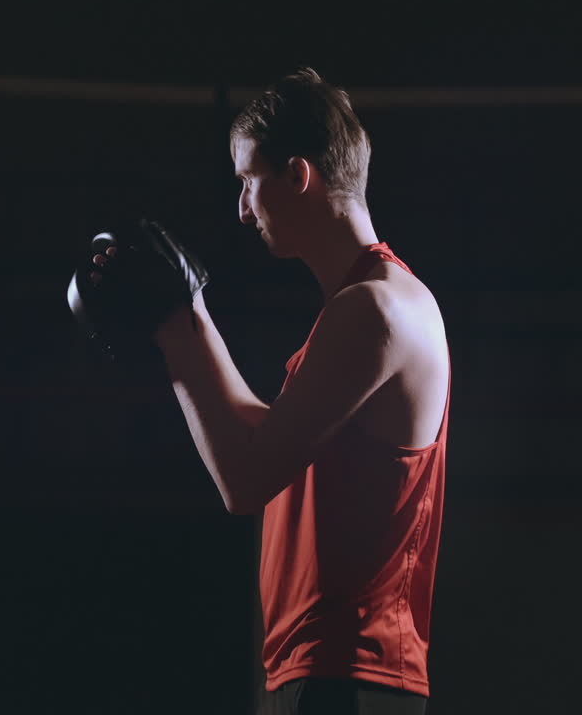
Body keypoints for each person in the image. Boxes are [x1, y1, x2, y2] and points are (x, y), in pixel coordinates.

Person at [71, 68, 447, 714]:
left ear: (297, 176)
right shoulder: (365, 306)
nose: (243, 207)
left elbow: (244, 481)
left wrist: (182, 323)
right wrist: (187, 316)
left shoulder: (376, 310)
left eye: (249, 180)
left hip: (350, 669)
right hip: (330, 668)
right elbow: (269, 443)